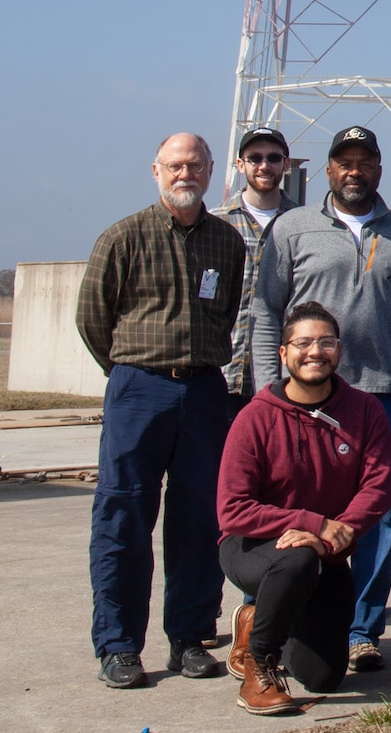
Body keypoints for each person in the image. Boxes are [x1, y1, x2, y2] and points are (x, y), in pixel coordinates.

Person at [252, 125, 391, 674]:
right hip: (300, 399)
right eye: (344, 162)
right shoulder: (293, 227)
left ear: (380, 169)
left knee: (378, 516)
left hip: (377, 396)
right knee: (296, 510)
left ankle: (361, 629)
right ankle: (281, 618)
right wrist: (267, 393)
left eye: (365, 162)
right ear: (328, 170)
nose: (355, 171)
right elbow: (265, 313)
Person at [77, 132, 246, 689]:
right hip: (138, 389)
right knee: (123, 517)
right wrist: (130, 374)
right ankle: (120, 645)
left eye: (195, 165)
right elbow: (92, 318)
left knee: (199, 519)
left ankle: (190, 637)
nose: (185, 174)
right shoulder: (122, 237)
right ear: (155, 170)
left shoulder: (227, 242)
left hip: (203, 392)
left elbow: (225, 313)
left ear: (212, 169)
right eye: (175, 165)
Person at [217, 302, 391, 714]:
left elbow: (378, 488)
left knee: (322, 677)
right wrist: (313, 525)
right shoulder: (255, 418)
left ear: (339, 350)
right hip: (252, 547)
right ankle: (257, 664)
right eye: (303, 343)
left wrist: (334, 535)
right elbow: (233, 510)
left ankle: (257, 619)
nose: (315, 351)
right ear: (284, 353)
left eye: (326, 342)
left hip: (326, 555)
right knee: (295, 560)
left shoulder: (364, 411)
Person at [219, 126, 299, 413]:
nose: (264, 165)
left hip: (285, 380)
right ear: (240, 165)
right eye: (254, 158)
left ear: (286, 164)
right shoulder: (216, 224)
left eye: (274, 158)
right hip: (224, 377)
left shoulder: (304, 225)